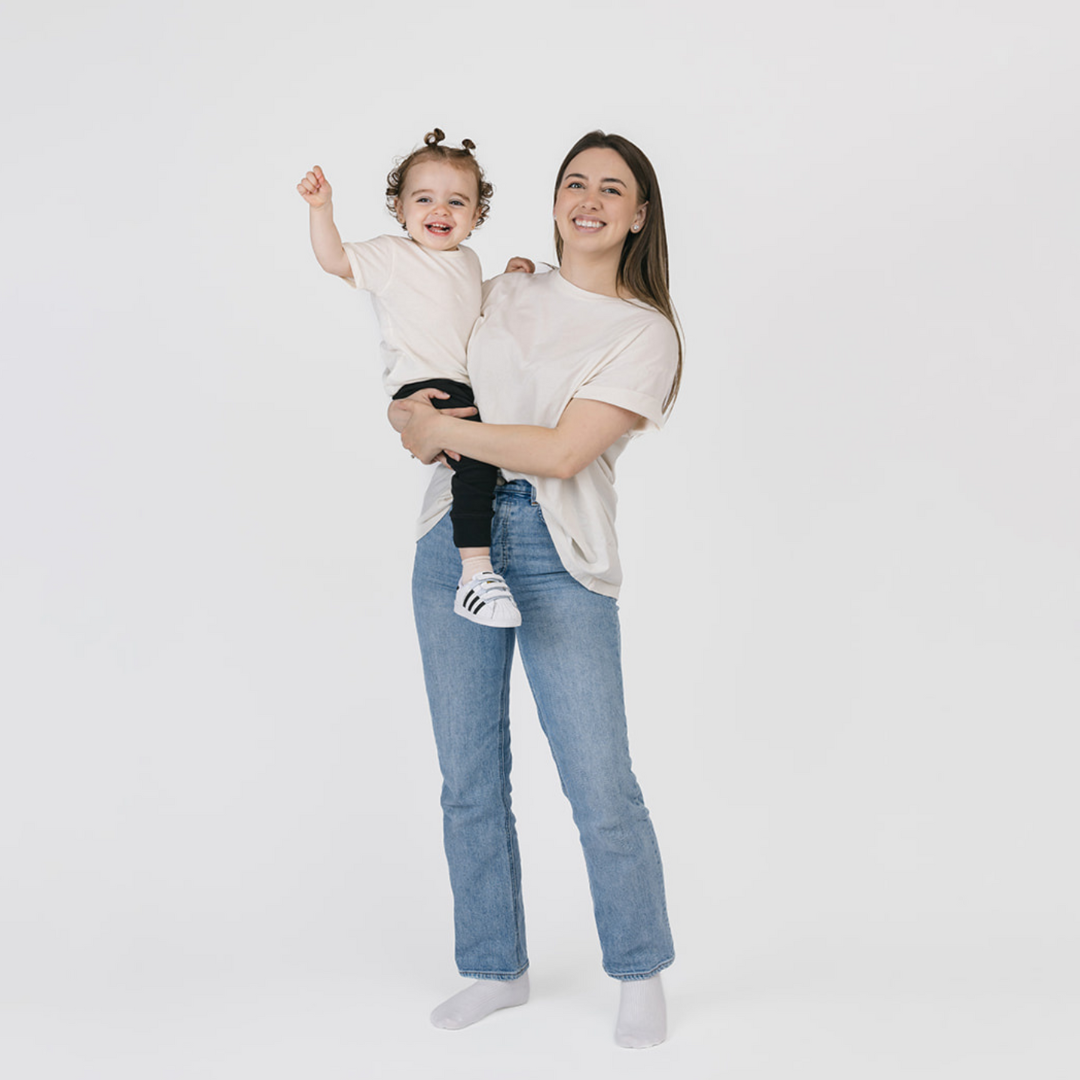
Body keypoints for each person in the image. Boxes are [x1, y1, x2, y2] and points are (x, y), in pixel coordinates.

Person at [391, 130, 683, 1049]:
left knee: (601, 783)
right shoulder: (502, 287)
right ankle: (494, 965)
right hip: (451, 540)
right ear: (553, 200)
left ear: (638, 216)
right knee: (468, 778)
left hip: (561, 555)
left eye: (611, 189)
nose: (589, 200)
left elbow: (560, 452)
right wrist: (407, 413)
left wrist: (442, 431)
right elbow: (422, 369)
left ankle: (639, 971)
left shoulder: (645, 334)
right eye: (574, 183)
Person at [296, 129, 523, 627]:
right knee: (477, 465)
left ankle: (478, 565)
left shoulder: (467, 261)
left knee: (482, 459)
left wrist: (506, 277)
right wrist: (321, 209)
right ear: (400, 209)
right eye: (424, 199)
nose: (439, 211)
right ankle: (475, 574)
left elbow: (469, 310)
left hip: (462, 382)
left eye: (456, 202)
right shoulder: (394, 256)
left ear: (476, 216)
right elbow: (334, 260)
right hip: (427, 385)